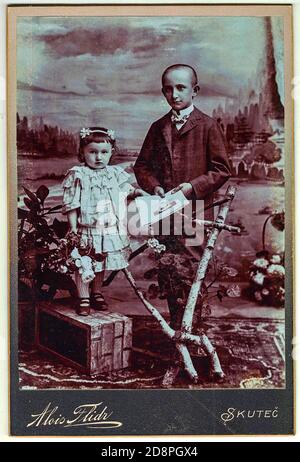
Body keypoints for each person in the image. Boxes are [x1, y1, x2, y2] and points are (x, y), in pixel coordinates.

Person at [134, 64, 231, 327]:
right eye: (168, 89)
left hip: (195, 212)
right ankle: (178, 330)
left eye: (181, 88)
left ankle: (193, 330)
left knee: (192, 270)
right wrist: (154, 187)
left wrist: (191, 187)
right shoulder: (158, 127)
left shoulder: (208, 126)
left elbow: (222, 170)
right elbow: (141, 166)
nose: (174, 94)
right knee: (168, 268)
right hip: (164, 213)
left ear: (195, 91)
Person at [62, 126, 145, 316]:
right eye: (92, 152)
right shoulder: (78, 175)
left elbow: (125, 191)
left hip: (107, 229)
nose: (98, 157)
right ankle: (83, 296)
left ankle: (96, 292)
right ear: (82, 152)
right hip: (86, 229)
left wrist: (135, 192)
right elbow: (72, 204)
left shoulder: (114, 174)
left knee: (100, 263)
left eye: (104, 152)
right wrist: (73, 229)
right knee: (84, 262)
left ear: (111, 153)